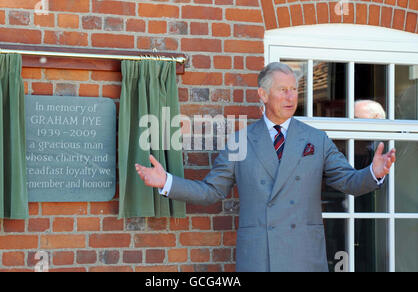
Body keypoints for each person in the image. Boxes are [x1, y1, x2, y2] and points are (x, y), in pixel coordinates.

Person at [135, 62, 396, 272]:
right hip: (260, 256)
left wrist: (374, 172)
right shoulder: (241, 140)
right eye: (282, 90)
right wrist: (167, 182)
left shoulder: (316, 139)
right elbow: (212, 191)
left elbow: (347, 181)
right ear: (263, 94)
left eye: (294, 89)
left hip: (304, 257)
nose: (291, 96)